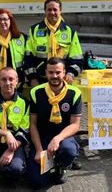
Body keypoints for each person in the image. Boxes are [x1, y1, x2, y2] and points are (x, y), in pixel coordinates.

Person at [27, 58, 82, 189]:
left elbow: (75, 125)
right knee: (37, 182)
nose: (55, 76)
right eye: (51, 72)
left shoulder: (74, 93)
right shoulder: (36, 92)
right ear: (46, 73)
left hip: (64, 137)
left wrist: (58, 139)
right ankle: (48, 162)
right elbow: (33, 124)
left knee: (68, 150)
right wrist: (39, 150)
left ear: (64, 73)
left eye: (58, 72)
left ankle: (61, 166)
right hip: (42, 138)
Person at [24, 0, 84, 87]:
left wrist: (70, 73)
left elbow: (77, 58)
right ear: (45, 11)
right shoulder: (34, 30)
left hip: (62, 80)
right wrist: (33, 78)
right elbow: (28, 57)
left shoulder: (70, 31)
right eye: (49, 10)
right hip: (40, 80)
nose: (52, 12)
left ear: (60, 11)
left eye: (55, 10)